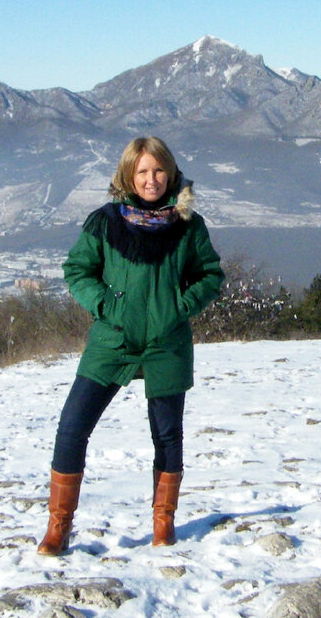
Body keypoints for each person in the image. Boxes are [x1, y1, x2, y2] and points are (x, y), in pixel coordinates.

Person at [38, 136, 224, 555]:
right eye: (142, 171)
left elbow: (210, 274)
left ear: (171, 173)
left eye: (158, 170)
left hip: (166, 341)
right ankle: (58, 527)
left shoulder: (189, 225)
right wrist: (104, 304)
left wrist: (179, 306)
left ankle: (163, 525)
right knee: (72, 428)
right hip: (113, 340)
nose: (151, 179)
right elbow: (77, 270)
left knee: (167, 436)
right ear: (128, 175)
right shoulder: (105, 222)